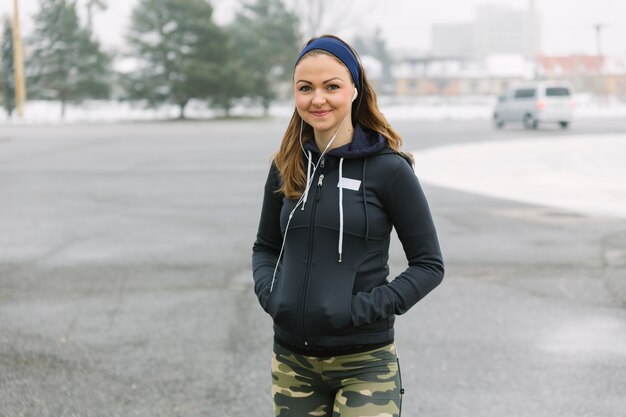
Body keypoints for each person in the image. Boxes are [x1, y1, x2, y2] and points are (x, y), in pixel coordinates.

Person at [252, 34, 444, 417]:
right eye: (305, 88)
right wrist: (273, 297)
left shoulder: (389, 170)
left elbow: (429, 265)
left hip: (364, 362)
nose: (317, 99)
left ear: (355, 90)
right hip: (293, 362)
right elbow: (265, 247)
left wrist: (360, 310)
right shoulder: (287, 164)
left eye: (331, 86)